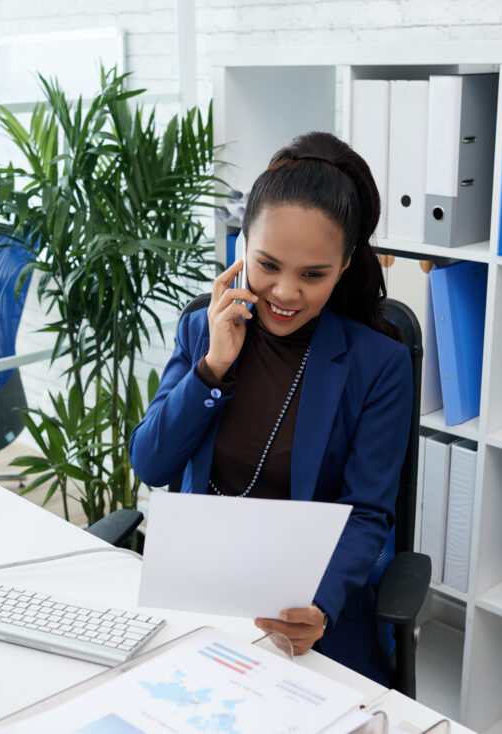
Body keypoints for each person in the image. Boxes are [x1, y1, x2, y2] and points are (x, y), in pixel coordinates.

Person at [128, 131, 413, 684]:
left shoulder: (380, 363)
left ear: (346, 265)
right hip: (201, 597)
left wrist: (319, 606)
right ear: (241, 246)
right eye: (268, 264)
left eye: (314, 275)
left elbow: (368, 512)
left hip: (304, 613)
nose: (285, 292)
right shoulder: (201, 329)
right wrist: (212, 366)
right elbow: (152, 465)